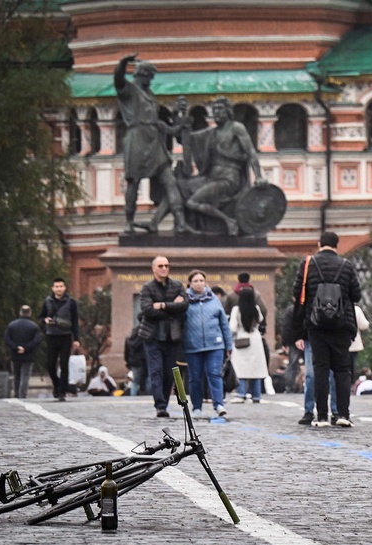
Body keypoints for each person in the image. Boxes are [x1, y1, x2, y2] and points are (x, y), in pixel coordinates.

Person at [114, 53, 192, 235]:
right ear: (141, 74)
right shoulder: (129, 91)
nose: (151, 79)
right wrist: (124, 62)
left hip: (155, 141)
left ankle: (181, 223)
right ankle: (129, 222)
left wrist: (176, 117)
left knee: (170, 181)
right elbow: (118, 79)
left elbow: (158, 122)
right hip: (138, 140)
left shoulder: (150, 94)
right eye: (149, 75)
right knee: (134, 182)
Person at [291, 231, 361, 427]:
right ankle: (342, 415)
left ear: (319, 243)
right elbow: (356, 295)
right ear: (337, 245)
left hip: (316, 324)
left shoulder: (307, 264)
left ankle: (321, 416)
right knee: (342, 370)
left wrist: (298, 329)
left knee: (320, 369)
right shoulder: (346, 265)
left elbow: (298, 295)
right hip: (342, 325)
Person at [181, 96, 264, 235]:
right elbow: (189, 138)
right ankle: (182, 226)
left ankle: (229, 221)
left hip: (228, 179)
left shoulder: (236, 128)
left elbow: (251, 152)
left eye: (220, 109)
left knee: (192, 202)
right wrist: (182, 124)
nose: (216, 112)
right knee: (181, 185)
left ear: (228, 111)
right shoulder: (212, 132)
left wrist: (259, 176)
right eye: (214, 109)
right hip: (210, 177)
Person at [139, 256, 188, 418]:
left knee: (169, 373)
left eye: (167, 265)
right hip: (152, 337)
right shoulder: (147, 288)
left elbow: (184, 305)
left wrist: (162, 305)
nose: (164, 268)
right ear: (153, 268)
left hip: (171, 337)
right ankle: (160, 405)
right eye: (160, 266)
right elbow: (147, 310)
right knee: (156, 371)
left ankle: (164, 403)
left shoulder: (177, 285)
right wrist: (171, 307)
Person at [184, 270, 232, 417]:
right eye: (196, 281)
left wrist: (228, 345)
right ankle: (196, 407)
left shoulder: (214, 299)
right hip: (193, 345)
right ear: (190, 284)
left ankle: (219, 404)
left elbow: (224, 323)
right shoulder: (184, 300)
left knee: (214, 374)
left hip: (215, 344)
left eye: (202, 281)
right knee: (195, 377)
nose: (199, 284)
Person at [39, 277, 81, 402]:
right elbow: (41, 318)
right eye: (56, 286)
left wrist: (76, 339)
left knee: (64, 364)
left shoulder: (71, 302)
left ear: (65, 287)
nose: (59, 289)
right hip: (51, 336)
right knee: (50, 364)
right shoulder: (48, 301)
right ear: (53, 288)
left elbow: (75, 322)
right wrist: (45, 321)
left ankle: (62, 392)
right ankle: (57, 385)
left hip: (65, 336)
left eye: (61, 286)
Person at [230, 288, 269, 404]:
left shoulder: (236, 310)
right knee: (255, 369)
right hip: (255, 340)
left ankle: (241, 393)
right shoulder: (256, 308)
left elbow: (232, 327)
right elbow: (261, 320)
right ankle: (256, 395)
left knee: (240, 368)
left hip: (242, 339)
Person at [4, 305, 42, 399]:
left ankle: (16, 394)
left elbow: (7, 339)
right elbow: (37, 340)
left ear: (20, 312)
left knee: (16, 375)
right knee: (25, 376)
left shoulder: (12, 325)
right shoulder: (34, 326)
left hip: (15, 354)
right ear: (30, 313)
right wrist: (26, 348)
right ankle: (23, 395)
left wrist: (16, 347)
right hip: (28, 355)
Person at [124, 323, 148, 396]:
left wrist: (128, 362)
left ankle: (133, 396)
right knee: (146, 380)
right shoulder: (144, 339)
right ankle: (147, 396)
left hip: (134, 362)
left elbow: (126, 353)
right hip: (144, 361)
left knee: (135, 381)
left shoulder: (129, 340)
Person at [349, 304, 369, 374]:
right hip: (353, 344)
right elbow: (364, 325)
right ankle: (351, 383)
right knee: (351, 367)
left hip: (337, 344)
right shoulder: (356, 309)